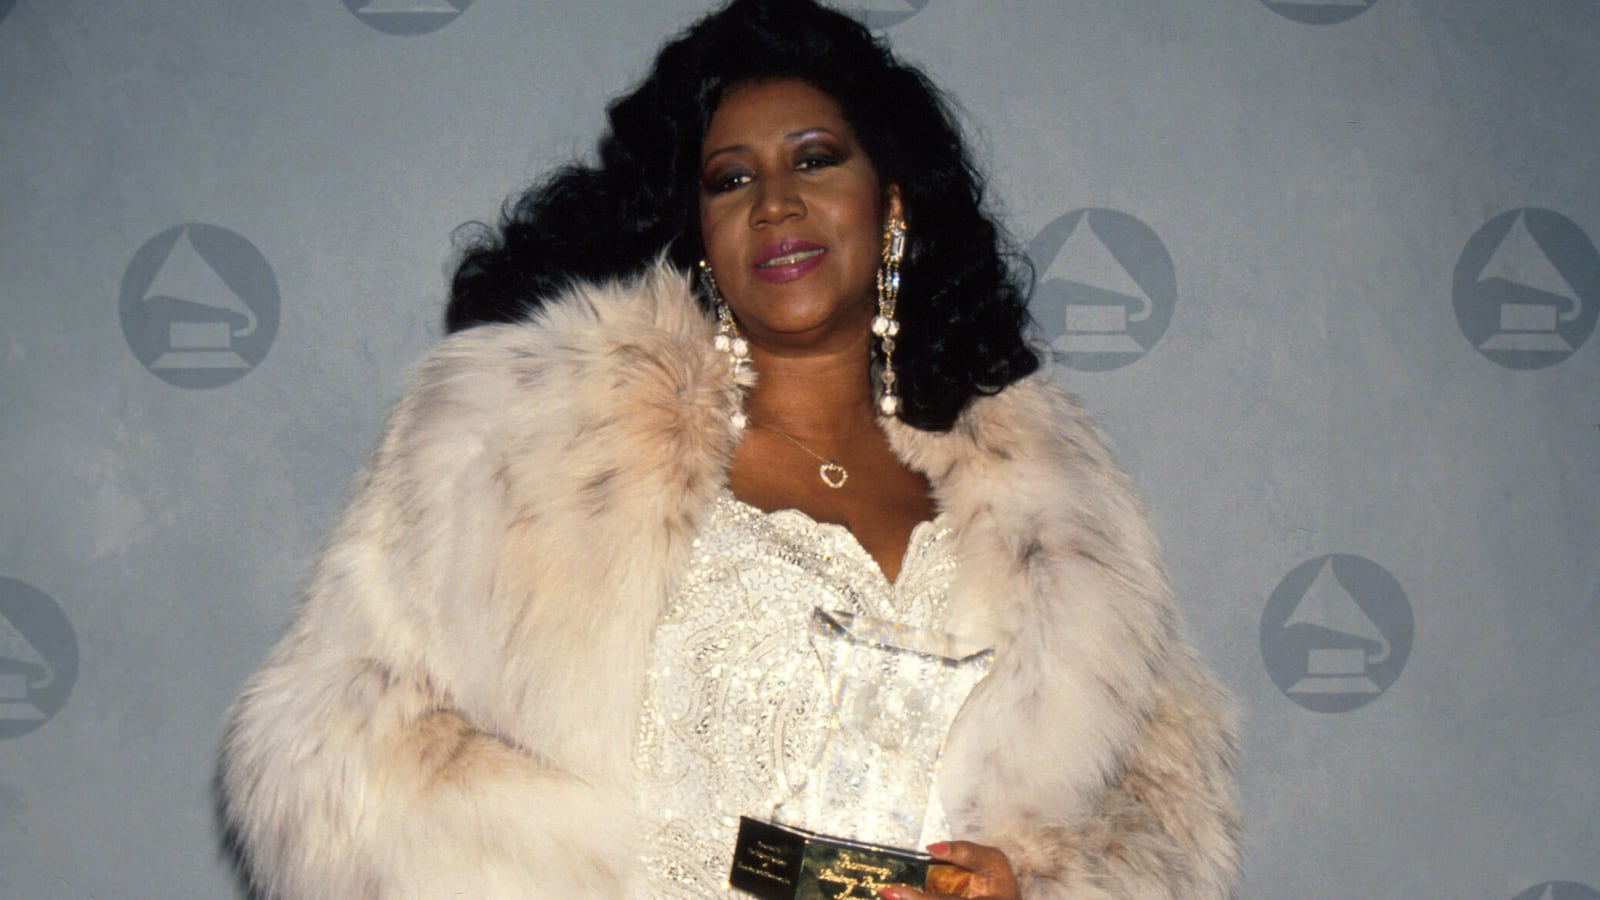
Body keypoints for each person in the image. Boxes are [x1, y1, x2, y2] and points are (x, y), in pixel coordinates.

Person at [220, 1, 1239, 897]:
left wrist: (1033, 886)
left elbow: (1163, 813)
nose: (775, 204)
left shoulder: (1058, 501)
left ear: (890, 205)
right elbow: (331, 767)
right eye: (729, 178)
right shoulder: (521, 442)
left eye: (814, 158)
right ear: (695, 227)